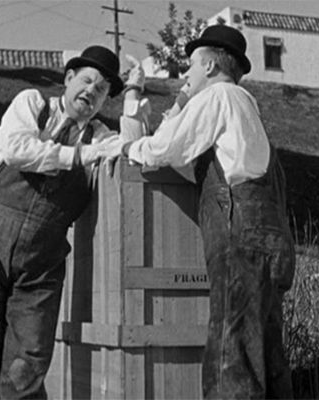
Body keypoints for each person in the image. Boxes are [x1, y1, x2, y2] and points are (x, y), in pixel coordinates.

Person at [0, 45, 143, 399]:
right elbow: (17, 150)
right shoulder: (33, 105)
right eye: (86, 81)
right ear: (68, 79)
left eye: (101, 91)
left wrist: (133, 94)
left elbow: (135, 151)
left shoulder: (99, 136)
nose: (91, 92)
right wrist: (79, 156)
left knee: (28, 362)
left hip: (42, 258)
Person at [121, 25, 296, 399]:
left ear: (212, 65)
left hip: (240, 234)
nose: (185, 77)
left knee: (230, 355)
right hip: (274, 241)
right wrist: (183, 101)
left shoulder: (218, 95)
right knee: (268, 354)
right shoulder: (248, 106)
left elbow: (170, 147)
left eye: (191, 68)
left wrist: (130, 150)